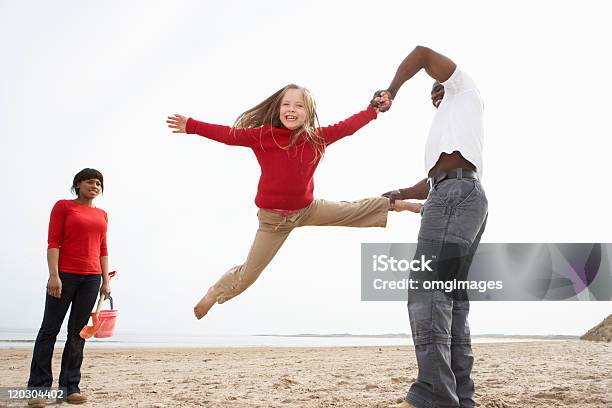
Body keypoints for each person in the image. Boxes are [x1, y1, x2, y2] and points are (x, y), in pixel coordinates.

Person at [166, 84, 422, 319]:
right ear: (278, 110)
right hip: (273, 221)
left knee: (351, 211)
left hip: (307, 210)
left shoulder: (316, 138)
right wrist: (192, 125)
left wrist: (372, 110)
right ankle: (215, 292)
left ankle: (395, 204)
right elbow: (228, 135)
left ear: (308, 113)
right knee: (249, 274)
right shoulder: (262, 136)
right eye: (286, 104)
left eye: (299, 105)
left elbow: (347, 127)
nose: (292, 110)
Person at [377, 46, 488, 408]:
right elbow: (432, 182)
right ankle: (459, 397)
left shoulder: (465, 89)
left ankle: (434, 395)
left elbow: (422, 53)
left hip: (457, 194)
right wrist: (398, 193)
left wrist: (391, 91)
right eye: (432, 91)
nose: (435, 90)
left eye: (439, 83)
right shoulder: (448, 133)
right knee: (451, 301)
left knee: (427, 290)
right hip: (460, 193)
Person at [27, 168, 111, 407]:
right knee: (49, 331)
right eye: (90, 182)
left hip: (92, 278)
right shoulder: (63, 206)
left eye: (98, 183)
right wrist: (53, 275)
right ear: (78, 184)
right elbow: (53, 242)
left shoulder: (103, 215)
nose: (94, 186)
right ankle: (38, 390)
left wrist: (106, 281)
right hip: (64, 275)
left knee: (77, 335)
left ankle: (70, 388)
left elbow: (103, 250)